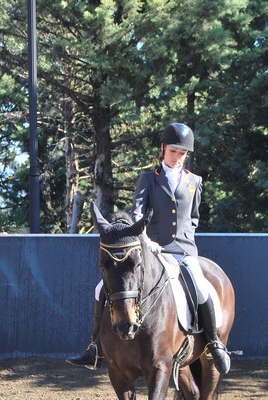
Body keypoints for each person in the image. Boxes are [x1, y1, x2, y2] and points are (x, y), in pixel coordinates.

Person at [66, 122, 231, 374]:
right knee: (101, 288)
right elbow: (137, 213)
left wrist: (185, 240)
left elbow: (194, 217)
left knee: (201, 288)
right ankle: (95, 348)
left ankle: (214, 344)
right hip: (153, 250)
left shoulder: (194, 181)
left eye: (182, 153)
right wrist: (146, 240)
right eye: (173, 151)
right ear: (163, 148)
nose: (177, 157)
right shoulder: (148, 179)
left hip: (184, 252)